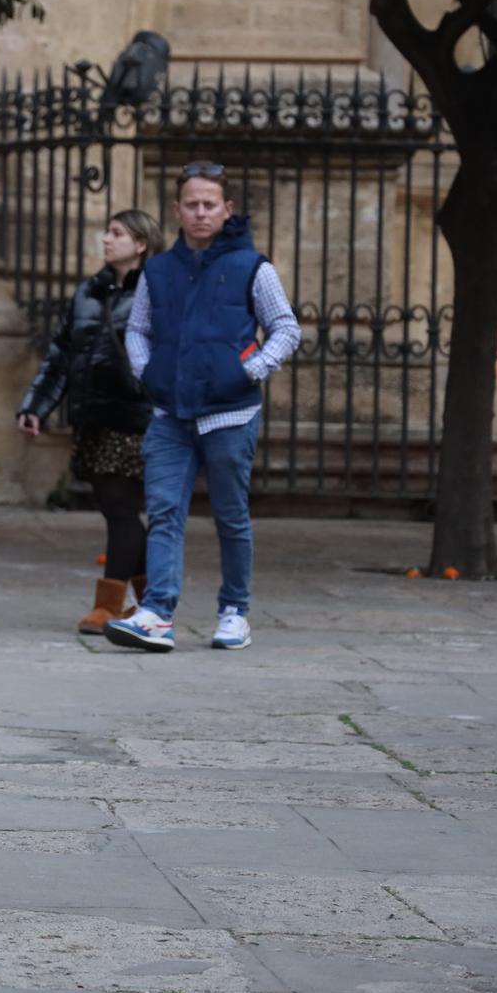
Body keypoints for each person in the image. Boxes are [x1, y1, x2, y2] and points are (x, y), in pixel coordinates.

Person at [107, 163, 300, 654]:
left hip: (230, 417)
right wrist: (146, 372)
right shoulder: (158, 269)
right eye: (191, 204)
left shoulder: (253, 267)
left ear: (226, 209)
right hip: (170, 416)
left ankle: (234, 611)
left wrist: (248, 371)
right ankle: (157, 612)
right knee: (165, 512)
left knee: (231, 517)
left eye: (209, 204)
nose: (199, 212)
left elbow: (286, 329)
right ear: (177, 210)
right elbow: (138, 328)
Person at [16, 209, 162, 634]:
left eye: (117, 233)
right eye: (108, 232)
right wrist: (35, 406)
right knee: (116, 508)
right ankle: (150, 602)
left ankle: (111, 605)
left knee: (120, 508)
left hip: (135, 417)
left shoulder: (158, 290)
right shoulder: (90, 291)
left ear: (140, 244)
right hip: (94, 417)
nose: (106, 239)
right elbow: (61, 355)